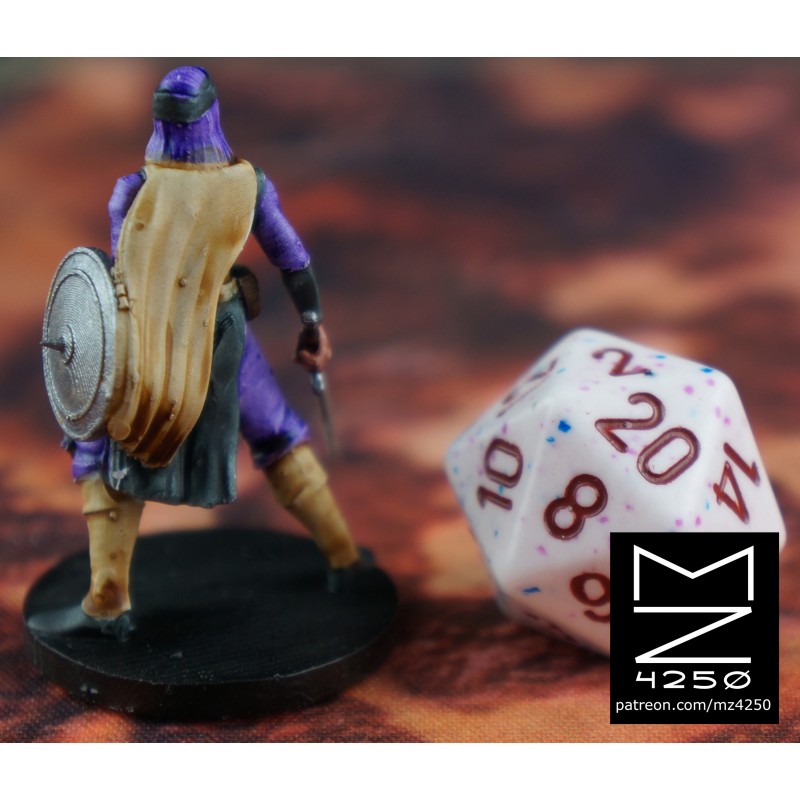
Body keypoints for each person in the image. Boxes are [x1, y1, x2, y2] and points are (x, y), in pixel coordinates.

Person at [35, 66, 361, 640]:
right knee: (276, 432)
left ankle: (108, 601)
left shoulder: (132, 191)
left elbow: (118, 292)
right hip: (224, 337)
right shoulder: (248, 185)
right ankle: (344, 558)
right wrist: (312, 324)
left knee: (108, 445)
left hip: (151, 345)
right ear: (213, 116)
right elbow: (292, 258)